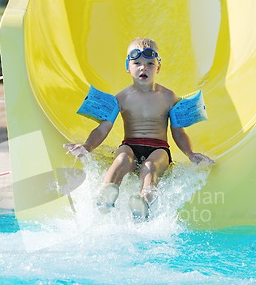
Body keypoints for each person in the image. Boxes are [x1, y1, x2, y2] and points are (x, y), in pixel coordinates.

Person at [64, 37, 215, 219]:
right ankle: (106, 194)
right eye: (137, 63)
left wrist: (190, 153)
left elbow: (178, 132)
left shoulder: (168, 97)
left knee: (150, 167)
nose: (144, 67)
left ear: (158, 67)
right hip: (130, 145)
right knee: (121, 160)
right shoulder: (121, 98)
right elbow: (103, 129)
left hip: (159, 148)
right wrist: (87, 146)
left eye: (150, 63)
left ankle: (143, 202)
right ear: (128, 67)